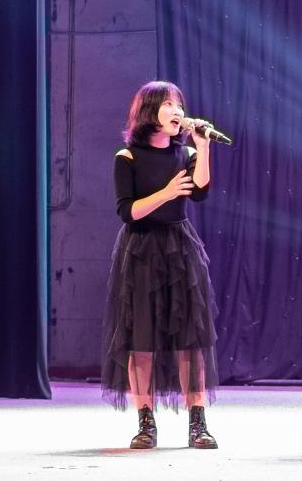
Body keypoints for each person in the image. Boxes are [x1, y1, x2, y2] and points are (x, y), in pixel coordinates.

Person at [100, 81, 220, 450]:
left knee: (190, 338)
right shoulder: (127, 156)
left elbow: (200, 193)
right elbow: (128, 211)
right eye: (168, 104)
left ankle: (198, 422)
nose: (176, 110)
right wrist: (165, 194)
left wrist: (203, 147)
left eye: (178, 104)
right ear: (149, 111)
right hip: (141, 248)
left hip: (180, 246)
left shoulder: (186, 153)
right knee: (142, 339)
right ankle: (146, 422)